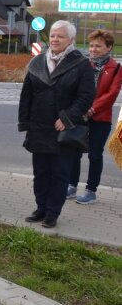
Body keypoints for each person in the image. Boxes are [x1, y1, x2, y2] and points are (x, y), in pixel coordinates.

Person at [18, 20, 95, 228]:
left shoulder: (81, 64)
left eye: (60, 36)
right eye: (52, 35)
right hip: (39, 127)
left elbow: (86, 96)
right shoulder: (37, 62)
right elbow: (27, 94)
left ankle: (53, 212)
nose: (55, 39)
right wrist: (25, 122)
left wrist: (68, 118)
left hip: (63, 129)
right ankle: (41, 207)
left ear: (70, 40)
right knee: (40, 172)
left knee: (59, 174)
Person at [67, 29, 121, 204]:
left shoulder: (116, 68)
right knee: (74, 151)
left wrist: (92, 109)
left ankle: (91, 191)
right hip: (80, 116)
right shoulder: (84, 64)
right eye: (91, 45)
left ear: (109, 47)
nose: (93, 49)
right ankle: (72, 186)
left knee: (95, 155)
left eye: (98, 46)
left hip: (100, 118)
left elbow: (111, 94)